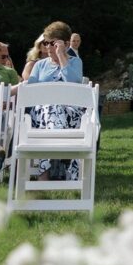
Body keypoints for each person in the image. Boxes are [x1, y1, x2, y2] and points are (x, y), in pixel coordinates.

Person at [27, 21, 85, 180]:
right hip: (42, 114)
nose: (48, 47)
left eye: (52, 43)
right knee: (51, 108)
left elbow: (73, 84)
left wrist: (61, 56)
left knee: (58, 108)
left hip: (70, 113)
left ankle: (44, 172)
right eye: (45, 43)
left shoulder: (75, 62)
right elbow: (30, 92)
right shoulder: (39, 65)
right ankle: (61, 149)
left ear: (66, 44)